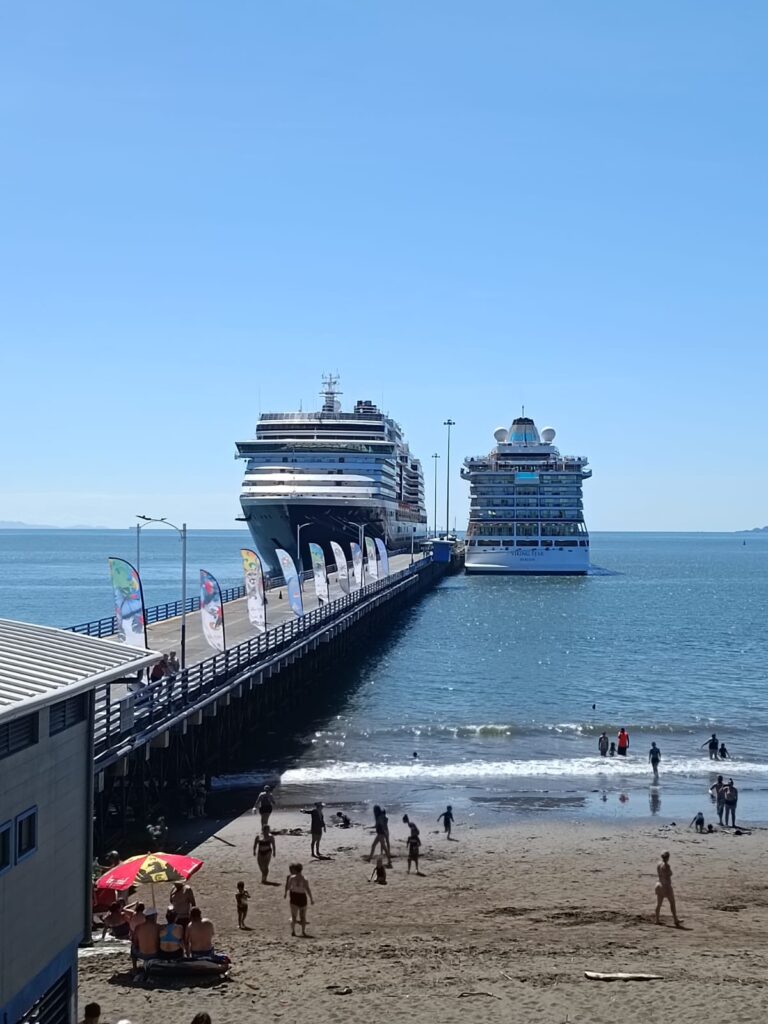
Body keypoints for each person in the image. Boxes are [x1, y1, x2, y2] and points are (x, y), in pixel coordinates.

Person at [284, 862, 314, 937]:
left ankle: (293, 931)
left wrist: (290, 890)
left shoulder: (292, 878)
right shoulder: (305, 879)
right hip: (302, 897)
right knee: (303, 916)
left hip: (294, 896)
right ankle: (303, 931)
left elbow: (288, 887)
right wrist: (311, 899)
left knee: (293, 916)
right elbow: (308, 889)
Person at [654, 851, 681, 927]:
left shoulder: (659, 864)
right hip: (666, 886)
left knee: (659, 904)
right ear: (668, 857)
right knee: (672, 902)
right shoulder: (667, 866)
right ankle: (675, 919)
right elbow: (670, 874)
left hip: (659, 884)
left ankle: (657, 920)